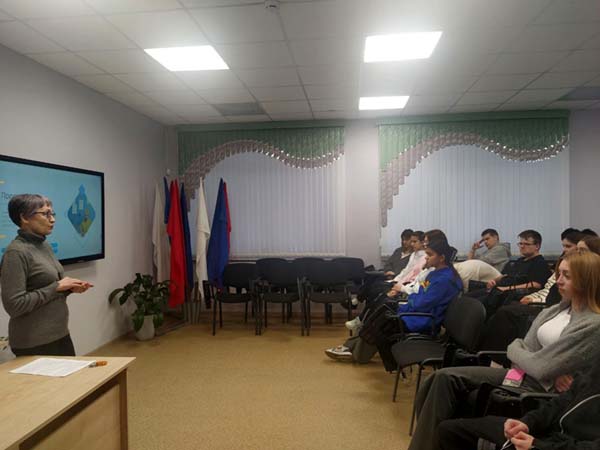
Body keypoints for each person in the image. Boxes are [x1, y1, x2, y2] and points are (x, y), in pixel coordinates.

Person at [408, 249, 600, 450]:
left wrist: (527, 357)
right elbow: (516, 347)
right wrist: (528, 357)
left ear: (586, 280)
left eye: (567, 276)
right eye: (559, 274)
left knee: (450, 386)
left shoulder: (592, 324)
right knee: (441, 378)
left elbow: (541, 367)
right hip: (520, 374)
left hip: (538, 387)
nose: (558, 280)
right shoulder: (554, 310)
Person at [325, 238, 463, 365]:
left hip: (423, 320)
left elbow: (421, 303)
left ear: (442, 258)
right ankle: (350, 348)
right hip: (417, 313)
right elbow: (419, 296)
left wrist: (406, 305)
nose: (426, 257)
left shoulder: (444, 280)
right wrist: (409, 302)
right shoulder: (434, 274)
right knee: (383, 312)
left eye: (430, 254)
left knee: (384, 321)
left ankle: (356, 353)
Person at [0, 194, 93, 356]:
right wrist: (56, 287)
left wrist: (68, 289)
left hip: (59, 333)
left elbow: (46, 289)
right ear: (24, 218)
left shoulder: (44, 245)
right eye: (45, 214)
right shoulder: (16, 252)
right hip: (33, 342)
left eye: (52, 214)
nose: (52, 219)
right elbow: (14, 306)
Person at [437, 362, 600, 450]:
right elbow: (561, 401)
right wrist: (527, 422)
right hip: (545, 434)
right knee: (449, 431)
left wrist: (539, 446)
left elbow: (542, 367)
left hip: (560, 445)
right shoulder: (594, 369)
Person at [346, 231, 426, 331]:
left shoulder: (423, 258)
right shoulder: (408, 253)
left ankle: (362, 319)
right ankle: (363, 320)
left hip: (403, 284)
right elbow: (404, 270)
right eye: (409, 241)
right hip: (398, 280)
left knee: (378, 293)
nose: (410, 243)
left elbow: (413, 277)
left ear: (422, 242)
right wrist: (395, 279)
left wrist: (397, 283)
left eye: (414, 241)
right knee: (373, 285)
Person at [478, 230, 552, 318]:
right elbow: (506, 275)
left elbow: (536, 285)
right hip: (498, 288)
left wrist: (506, 288)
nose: (522, 246)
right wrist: (494, 280)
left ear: (537, 246)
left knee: (475, 305)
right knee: (469, 296)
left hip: (507, 293)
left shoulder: (539, 263)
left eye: (526, 244)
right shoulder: (520, 261)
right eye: (520, 244)